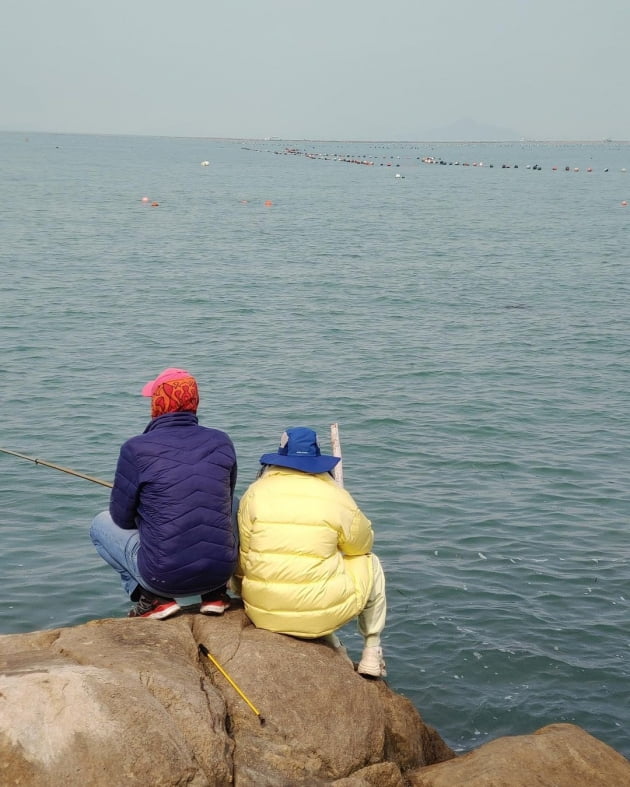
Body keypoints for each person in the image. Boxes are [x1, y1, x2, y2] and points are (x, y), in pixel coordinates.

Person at [233, 426, 387, 678]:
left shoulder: (254, 493)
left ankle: (334, 644)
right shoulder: (335, 495)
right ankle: (372, 649)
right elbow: (361, 546)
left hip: (263, 612)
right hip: (319, 613)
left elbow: (245, 555)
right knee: (369, 562)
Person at [90, 367, 237, 620]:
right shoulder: (221, 441)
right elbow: (225, 496)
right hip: (221, 572)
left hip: (163, 578)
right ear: (194, 401)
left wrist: (149, 510)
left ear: (159, 404)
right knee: (231, 502)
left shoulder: (135, 448)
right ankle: (215, 595)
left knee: (99, 525)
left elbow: (121, 519)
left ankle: (152, 598)